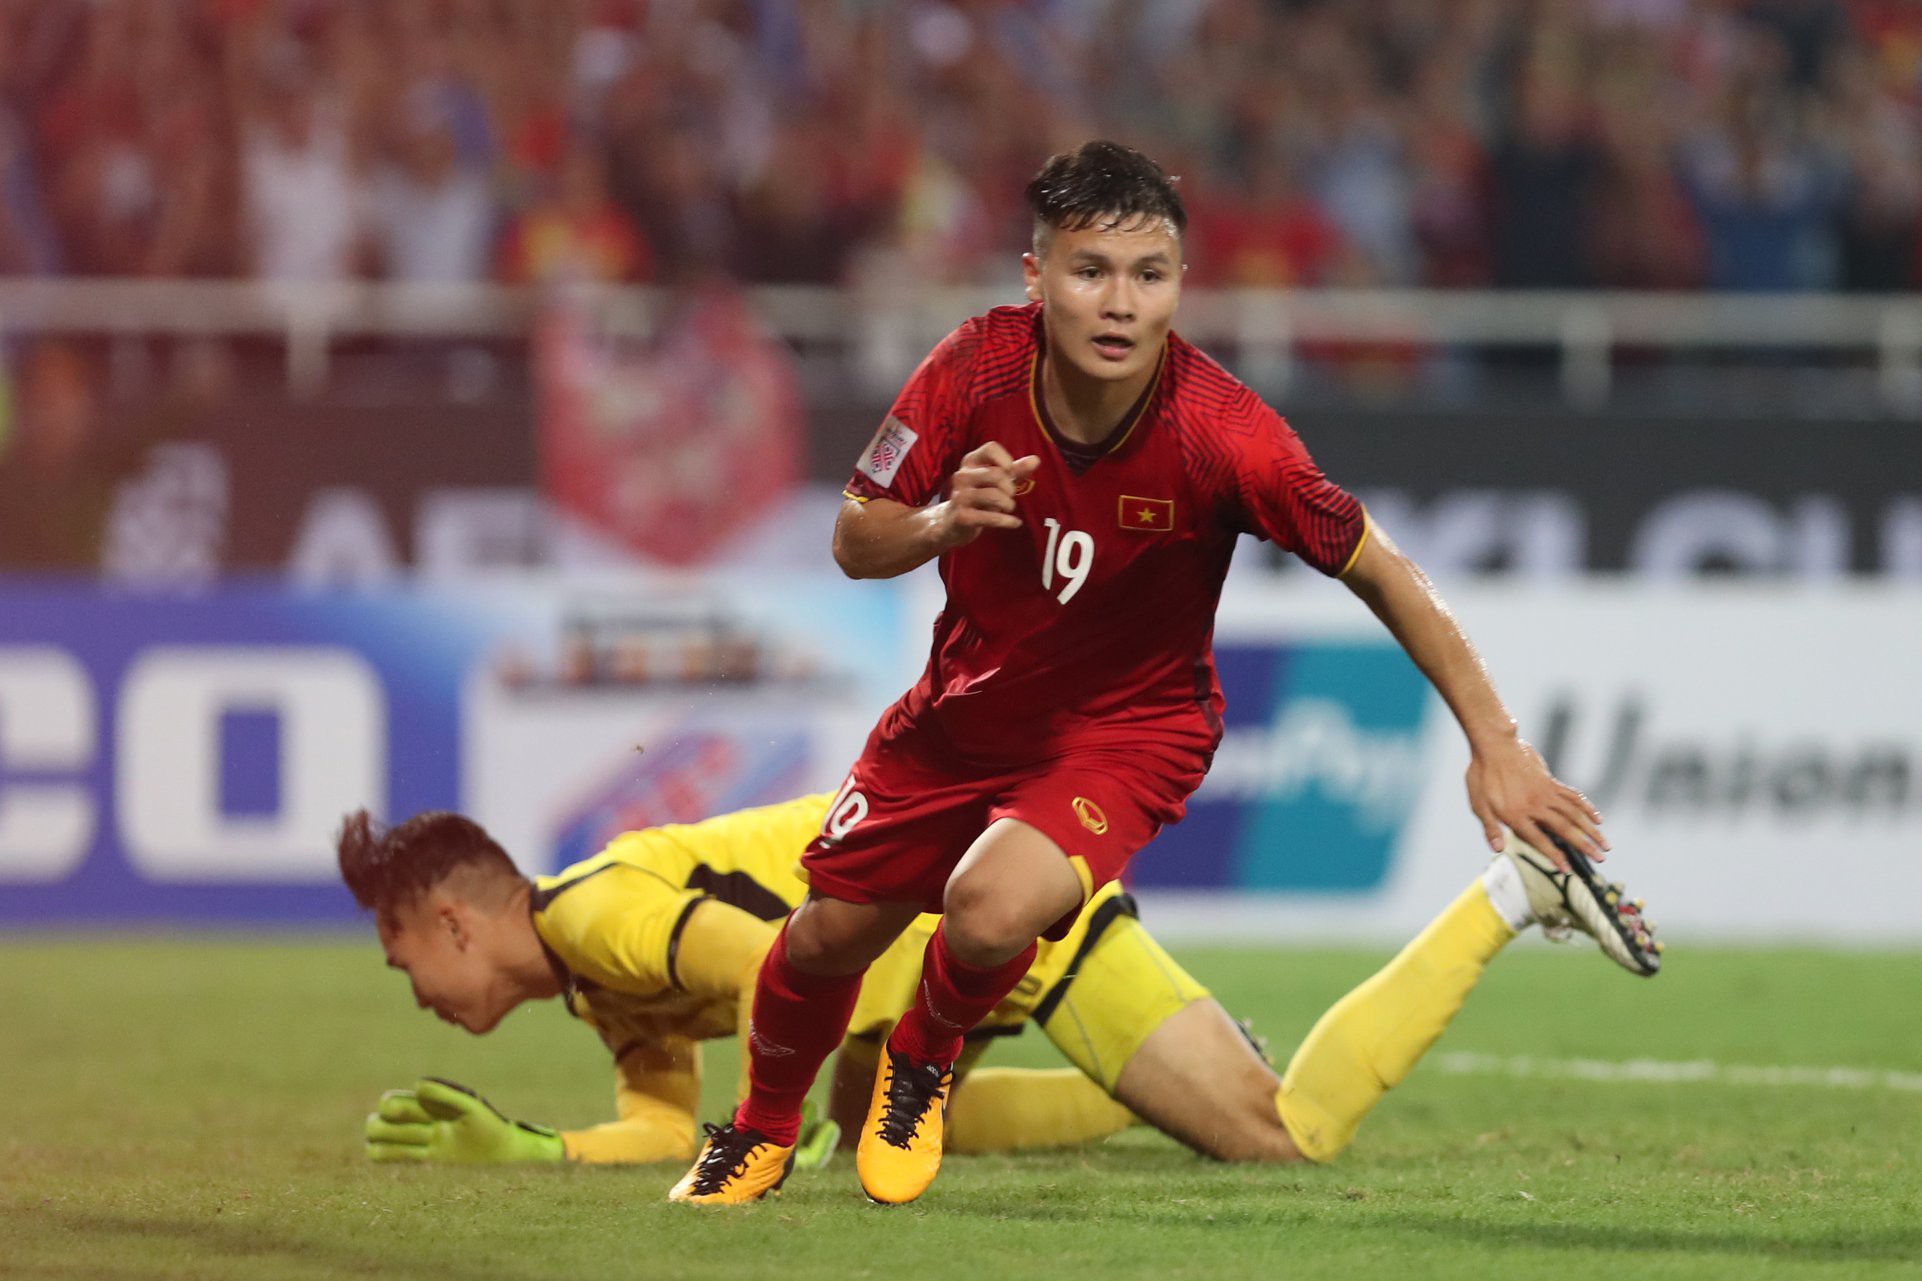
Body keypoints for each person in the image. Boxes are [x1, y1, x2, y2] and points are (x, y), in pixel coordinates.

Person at [672, 140, 1662, 1208]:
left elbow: (1385, 572)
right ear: (1034, 277)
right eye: (1089, 270)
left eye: (1148, 276)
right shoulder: (970, 368)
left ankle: (924, 1058)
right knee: (823, 939)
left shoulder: (1226, 438)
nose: (1118, 304)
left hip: (1128, 730)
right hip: (961, 715)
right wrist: (940, 520)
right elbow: (853, 537)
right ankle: (760, 1136)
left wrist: (1496, 744)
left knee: (988, 911)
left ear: (1180, 285)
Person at [341, 793, 1654, 1173]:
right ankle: (1153, 1086)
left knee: (1287, 1136)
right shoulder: (591, 977)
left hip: (1002, 913)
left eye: (402, 958)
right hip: (941, 953)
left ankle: (1512, 892)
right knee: (864, 1126)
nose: (412, 993)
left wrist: (776, 1117)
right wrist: (529, 1153)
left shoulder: (601, 915)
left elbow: (773, 970)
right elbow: (660, 1126)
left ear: (449, 918)